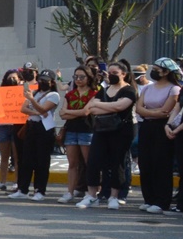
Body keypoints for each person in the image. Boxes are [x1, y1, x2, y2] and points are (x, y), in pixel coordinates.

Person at [76, 62, 138, 210]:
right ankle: (91, 196)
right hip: (102, 130)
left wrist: (103, 105)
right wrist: (110, 107)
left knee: (117, 162)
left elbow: (121, 106)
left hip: (121, 131)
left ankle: (114, 197)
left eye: (115, 73)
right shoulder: (103, 90)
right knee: (94, 161)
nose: (111, 75)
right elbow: (91, 108)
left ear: (123, 74)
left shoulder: (129, 90)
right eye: (109, 73)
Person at [134, 58, 180, 213]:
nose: (153, 71)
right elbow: (138, 108)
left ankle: (161, 201)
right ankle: (149, 199)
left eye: (157, 69)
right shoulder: (147, 88)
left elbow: (165, 111)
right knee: (145, 162)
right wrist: (152, 112)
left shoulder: (174, 89)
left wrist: (149, 112)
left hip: (162, 128)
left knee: (161, 163)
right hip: (146, 126)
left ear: (167, 72)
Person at [10, 70, 60, 202]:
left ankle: (40, 190)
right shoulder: (37, 93)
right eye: (41, 80)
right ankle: (23, 189)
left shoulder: (53, 95)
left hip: (44, 129)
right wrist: (35, 109)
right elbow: (24, 109)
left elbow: (44, 109)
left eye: (45, 80)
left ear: (52, 82)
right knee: (26, 159)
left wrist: (32, 100)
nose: (42, 82)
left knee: (42, 161)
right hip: (31, 127)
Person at [56, 65, 98, 203]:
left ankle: (91, 192)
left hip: (87, 130)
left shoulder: (94, 93)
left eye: (82, 77)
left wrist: (70, 112)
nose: (78, 79)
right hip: (71, 130)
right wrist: (77, 113)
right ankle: (70, 192)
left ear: (89, 78)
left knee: (89, 162)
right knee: (72, 163)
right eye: (76, 77)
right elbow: (62, 114)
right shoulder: (70, 94)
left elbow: (86, 112)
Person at [0, 70, 21, 191]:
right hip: (4, 126)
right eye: (9, 78)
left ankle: (17, 182)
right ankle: (2, 182)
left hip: (17, 125)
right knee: (4, 156)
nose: (12, 80)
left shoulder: (22, 91)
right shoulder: (0, 92)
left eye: (14, 78)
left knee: (17, 156)